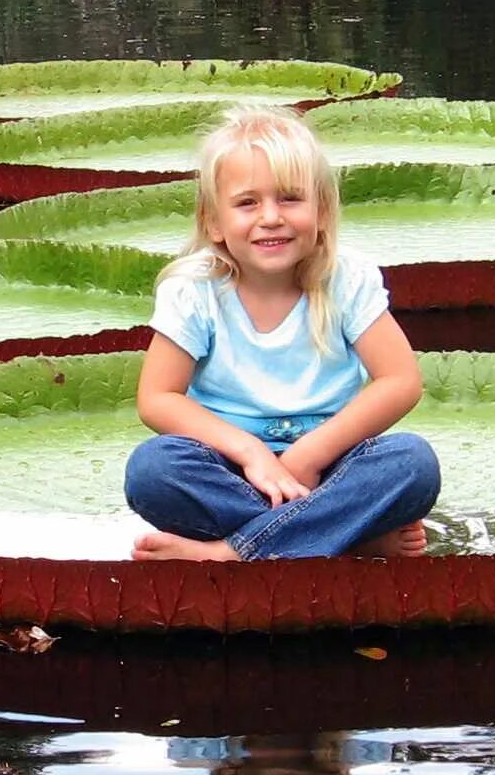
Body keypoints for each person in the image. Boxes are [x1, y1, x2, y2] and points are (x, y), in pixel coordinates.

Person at [124, 104, 440, 561]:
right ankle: (342, 537)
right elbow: (158, 398)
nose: (270, 217)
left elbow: (400, 381)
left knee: (412, 463)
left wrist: (308, 456)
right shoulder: (194, 291)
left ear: (323, 211)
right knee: (153, 469)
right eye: (247, 202)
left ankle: (231, 552)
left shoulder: (346, 280)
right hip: (231, 469)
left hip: (333, 462)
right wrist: (252, 454)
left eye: (290, 198)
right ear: (214, 221)